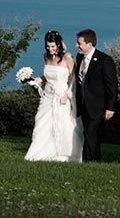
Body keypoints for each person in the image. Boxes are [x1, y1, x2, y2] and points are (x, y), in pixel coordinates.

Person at [24, 30, 83, 162]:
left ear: (58, 44)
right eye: (48, 46)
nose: (50, 49)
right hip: (48, 95)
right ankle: (41, 153)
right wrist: (36, 80)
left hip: (62, 95)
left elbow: (73, 78)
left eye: (53, 46)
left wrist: (67, 95)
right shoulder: (46, 56)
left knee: (64, 124)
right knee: (42, 122)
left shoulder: (67, 57)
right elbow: (48, 75)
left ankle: (64, 154)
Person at [75, 28, 118, 162]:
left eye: (79, 43)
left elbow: (112, 86)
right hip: (83, 104)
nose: (77, 46)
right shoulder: (79, 57)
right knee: (88, 133)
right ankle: (90, 160)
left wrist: (110, 107)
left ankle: (93, 161)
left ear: (89, 44)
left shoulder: (104, 60)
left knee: (91, 132)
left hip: (98, 106)